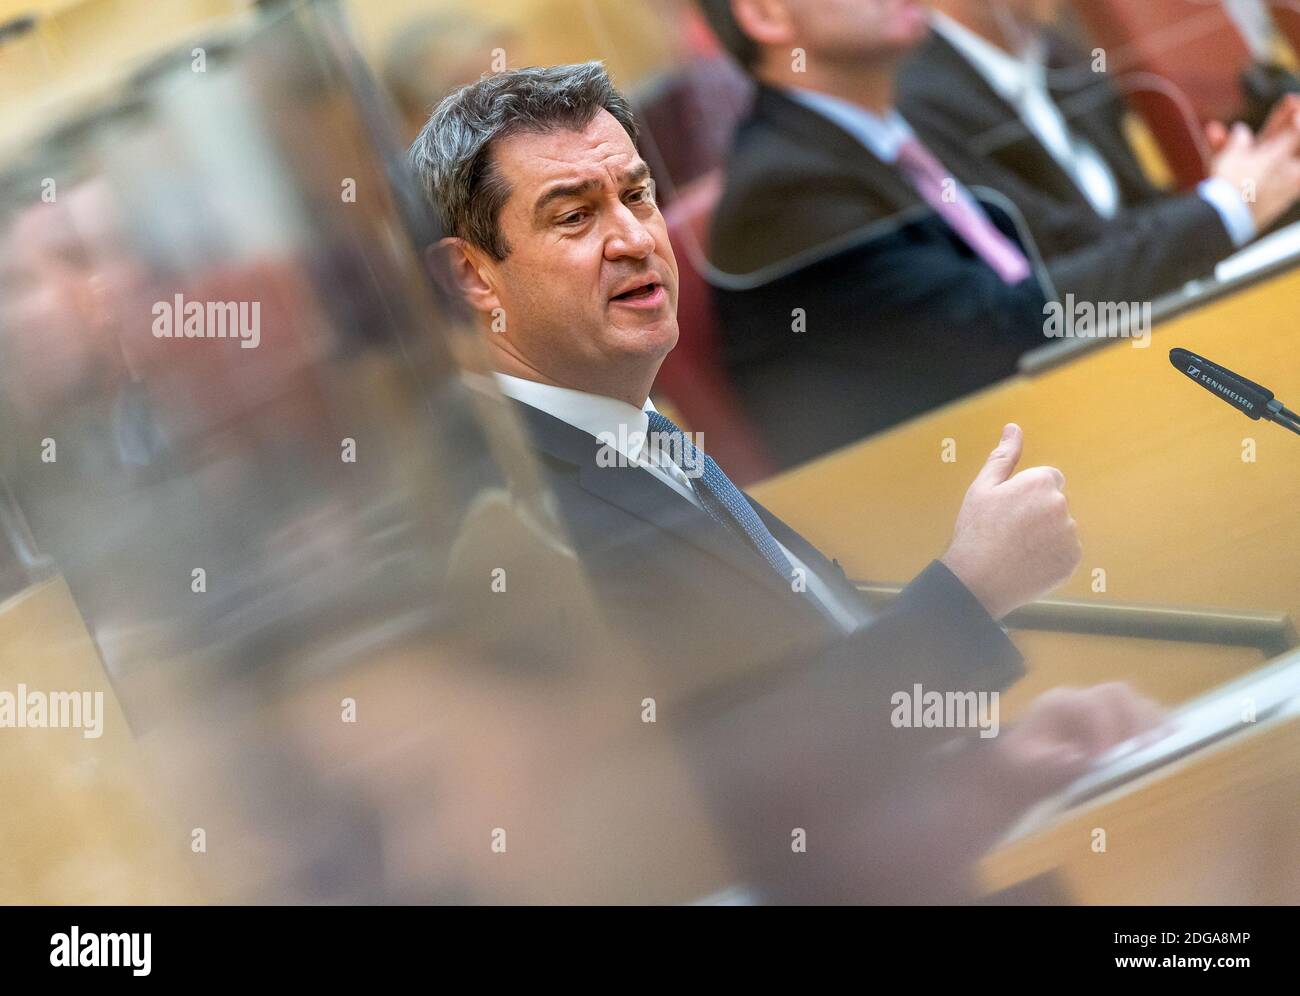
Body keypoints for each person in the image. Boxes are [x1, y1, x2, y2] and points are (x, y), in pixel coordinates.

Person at [408, 63, 1163, 900]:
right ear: (475, 277)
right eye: (576, 215)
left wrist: (997, 763)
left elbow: (813, 713)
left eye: (637, 195)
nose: (632, 238)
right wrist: (969, 593)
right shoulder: (520, 510)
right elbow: (723, 800)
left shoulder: (636, 435)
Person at [696, 0, 1300, 466]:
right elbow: (1010, 324)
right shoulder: (783, 188)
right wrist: (1224, 209)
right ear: (765, 14)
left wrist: (1237, 195)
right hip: (940, 494)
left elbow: (1073, 240)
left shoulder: (885, 132)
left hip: (1057, 429)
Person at [899, 0, 1300, 289]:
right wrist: (1221, 204)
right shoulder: (918, 99)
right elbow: (1063, 259)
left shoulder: (1062, 56)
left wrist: (1257, 175)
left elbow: (1133, 214)